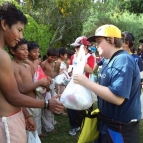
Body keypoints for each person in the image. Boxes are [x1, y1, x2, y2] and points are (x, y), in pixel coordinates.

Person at [0, 3, 64, 143]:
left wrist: (27, 115)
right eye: (19, 30)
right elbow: (13, 96)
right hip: (7, 125)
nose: (21, 36)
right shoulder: (2, 56)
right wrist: (47, 104)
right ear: (4, 24)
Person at [74, 24, 141, 142]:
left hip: (120, 128)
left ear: (112, 39)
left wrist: (86, 83)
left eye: (99, 41)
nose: (96, 45)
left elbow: (117, 98)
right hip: (107, 122)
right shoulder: (106, 59)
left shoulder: (123, 60)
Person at [9, 38, 49, 137]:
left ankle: (37, 134)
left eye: (27, 49)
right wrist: (40, 82)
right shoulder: (12, 66)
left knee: (35, 124)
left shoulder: (26, 65)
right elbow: (21, 89)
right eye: (22, 49)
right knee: (27, 131)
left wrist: (44, 80)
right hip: (25, 104)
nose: (26, 52)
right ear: (13, 51)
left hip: (34, 100)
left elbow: (33, 81)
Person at [67, 36, 95, 136]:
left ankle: (85, 125)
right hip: (73, 84)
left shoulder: (90, 57)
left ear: (85, 47)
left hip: (85, 85)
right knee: (70, 104)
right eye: (76, 47)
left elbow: (90, 70)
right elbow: (70, 69)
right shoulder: (73, 56)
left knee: (86, 105)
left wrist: (81, 58)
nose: (76, 49)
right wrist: (68, 73)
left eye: (78, 47)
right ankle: (74, 126)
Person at [40, 47, 59, 132]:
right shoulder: (43, 64)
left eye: (55, 57)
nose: (53, 59)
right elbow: (39, 75)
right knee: (47, 107)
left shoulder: (53, 63)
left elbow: (51, 74)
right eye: (51, 57)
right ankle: (48, 127)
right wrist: (45, 86)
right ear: (47, 55)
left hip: (51, 85)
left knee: (53, 103)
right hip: (45, 87)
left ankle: (52, 121)